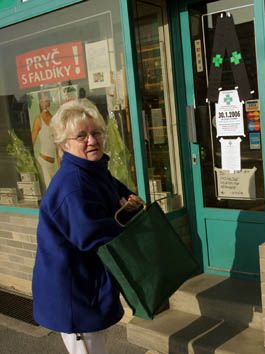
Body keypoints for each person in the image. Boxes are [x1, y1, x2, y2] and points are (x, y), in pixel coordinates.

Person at [32, 99, 143, 354]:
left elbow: (118, 195)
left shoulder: (94, 169)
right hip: (73, 293)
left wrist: (130, 204)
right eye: (81, 135)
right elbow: (93, 233)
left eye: (95, 133)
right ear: (64, 144)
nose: (91, 140)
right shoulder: (73, 186)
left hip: (87, 284)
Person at [31, 91, 57, 191]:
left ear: (50, 102)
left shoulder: (54, 119)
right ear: (39, 103)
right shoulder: (38, 120)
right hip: (43, 163)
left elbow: (58, 144)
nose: (45, 104)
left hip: (52, 164)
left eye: (47, 101)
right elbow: (31, 142)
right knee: (50, 192)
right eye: (42, 101)